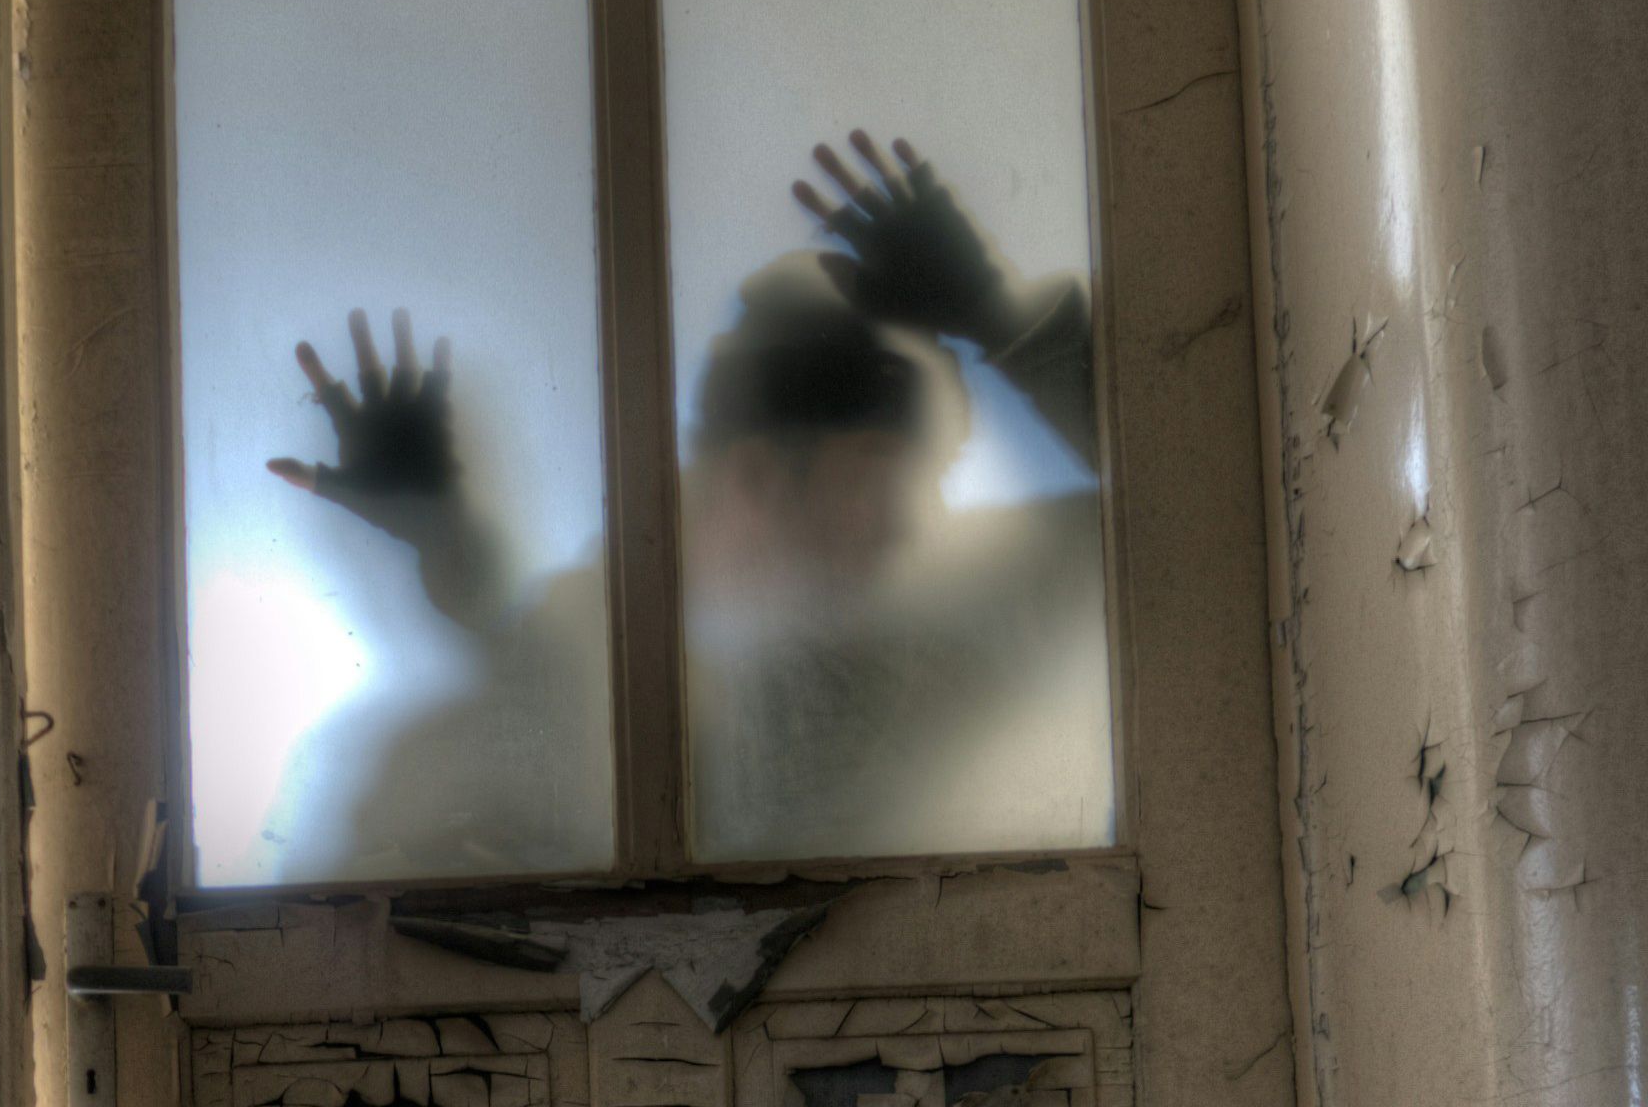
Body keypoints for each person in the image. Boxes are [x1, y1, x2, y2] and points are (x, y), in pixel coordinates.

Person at [264, 132, 1108, 872]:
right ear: (757, 477)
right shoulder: (560, 691)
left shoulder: (955, 645)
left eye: (927, 477)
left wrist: (998, 316)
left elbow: (1172, 517)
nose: (905, 520)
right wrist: (445, 542)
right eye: (873, 476)